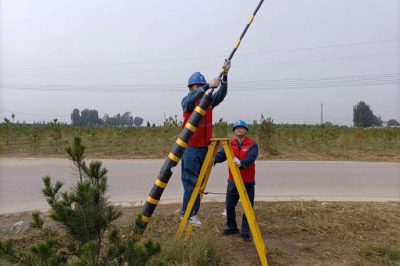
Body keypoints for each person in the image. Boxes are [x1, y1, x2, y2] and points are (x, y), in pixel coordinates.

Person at [180, 60, 231, 226]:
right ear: (191, 88)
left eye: (200, 85)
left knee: (200, 183)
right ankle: (186, 214)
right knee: (191, 183)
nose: (199, 88)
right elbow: (188, 101)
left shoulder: (208, 102)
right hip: (191, 148)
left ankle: (192, 212)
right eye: (196, 86)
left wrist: (225, 75)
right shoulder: (188, 102)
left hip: (205, 148)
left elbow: (221, 95)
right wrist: (207, 85)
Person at [214, 120, 258, 242]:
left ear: (246, 130)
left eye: (241, 127)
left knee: (247, 207)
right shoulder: (230, 144)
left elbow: (251, 157)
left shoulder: (252, 145)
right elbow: (221, 155)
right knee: (229, 205)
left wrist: (242, 163)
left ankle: (245, 231)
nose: (239, 129)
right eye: (236, 128)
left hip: (247, 181)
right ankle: (232, 227)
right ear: (234, 131)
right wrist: (214, 160)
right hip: (233, 180)